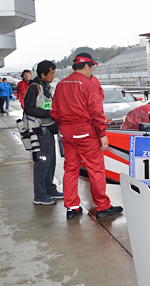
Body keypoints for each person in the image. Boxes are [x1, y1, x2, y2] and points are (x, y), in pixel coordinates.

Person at [51, 52, 123, 220]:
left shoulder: (61, 84)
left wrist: (66, 125)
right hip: (85, 132)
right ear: (86, 66)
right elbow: (96, 111)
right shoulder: (88, 83)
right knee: (95, 169)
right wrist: (102, 133)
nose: (93, 72)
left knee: (70, 169)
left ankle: (72, 208)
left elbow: (54, 112)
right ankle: (103, 206)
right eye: (92, 68)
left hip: (66, 133)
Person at [23, 60, 63, 205]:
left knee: (51, 162)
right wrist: (49, 113)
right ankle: (39, 195)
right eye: (51, 73)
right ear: (43, 75)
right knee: (42, 163)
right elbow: (29, 108)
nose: (53, 76)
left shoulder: (45, 87)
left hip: (48, 130)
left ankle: (50, 188)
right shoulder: (34, 88)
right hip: (39, 131)